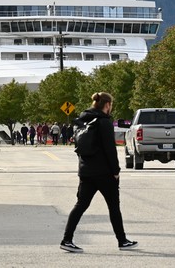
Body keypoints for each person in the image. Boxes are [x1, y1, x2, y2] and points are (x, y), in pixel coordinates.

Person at [60, 92, 137, 253]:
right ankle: (122, 240)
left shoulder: (82, 121)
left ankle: (67, 239)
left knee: (80, 205)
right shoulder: (103, 122)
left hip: (86, 171)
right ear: (107, 105)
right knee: (114, 207)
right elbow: (110, 150)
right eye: (111, 105)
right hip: (104, 173)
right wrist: (115, 171)